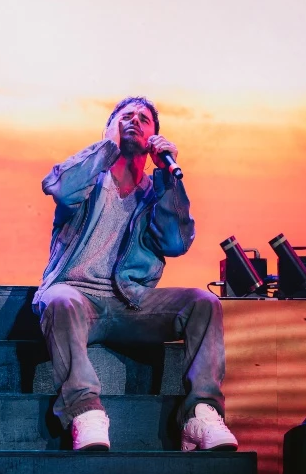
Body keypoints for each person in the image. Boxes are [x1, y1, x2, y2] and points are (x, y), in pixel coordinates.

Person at [33, 97, 237, 452]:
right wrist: (107, 148)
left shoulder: (155, 193)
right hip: (78, 297)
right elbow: (60, 189)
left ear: (154, 137)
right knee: (59, 299)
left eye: (144, 119)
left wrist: (168, 180)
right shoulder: (88, 179)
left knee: (203, 303)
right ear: (108, 128)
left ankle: (200, 414)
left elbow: (175, 242)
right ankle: (85, 411)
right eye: (125, 116)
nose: (134, 121)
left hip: (132, 303)